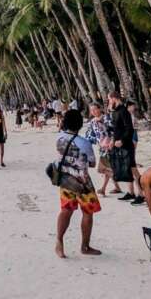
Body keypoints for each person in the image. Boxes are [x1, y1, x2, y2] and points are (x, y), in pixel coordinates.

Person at [53, 110, 101, 258]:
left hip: (66, 180)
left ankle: (59, 241)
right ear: (79, 124)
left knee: (66, 210)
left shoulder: (59, 137)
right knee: (87, 212)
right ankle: (85, 246)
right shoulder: (84, 143)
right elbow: (92, 163)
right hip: (82, 182)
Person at [108, 94, 141, 204]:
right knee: (128, 169)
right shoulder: (115, 111)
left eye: (109, 99)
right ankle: (131, 193)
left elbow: (129, 129)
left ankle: (142, 194)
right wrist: (113, 140)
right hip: (119, 145)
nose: (109, 101)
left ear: (114, 98)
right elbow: (116, 129)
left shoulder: (123, 111)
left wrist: (121, 140)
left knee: (133, 170)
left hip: (126, 145)